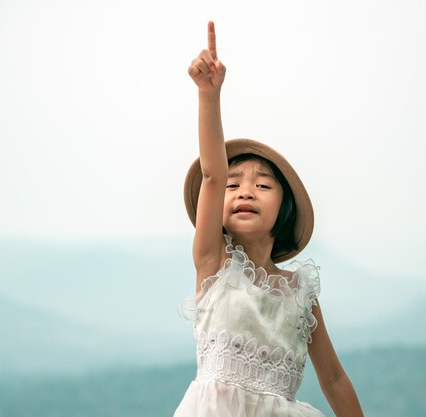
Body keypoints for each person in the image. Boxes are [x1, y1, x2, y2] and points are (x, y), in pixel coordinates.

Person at [174, 21, 365, 417]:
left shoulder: (301, 295)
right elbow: (211, 173)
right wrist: (209, 95)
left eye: (262, 186)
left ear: (284, 209)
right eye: (234, 185)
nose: (245, 190)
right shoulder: (214, 264)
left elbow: (333, 379)